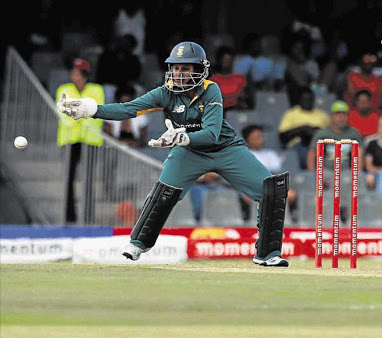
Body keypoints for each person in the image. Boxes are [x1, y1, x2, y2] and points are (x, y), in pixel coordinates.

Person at [57, 41, 290, 267]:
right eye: (176, 68)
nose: (178, 73)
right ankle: (138, 243)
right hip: (188, 153)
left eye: (185, 68)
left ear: (199, 69)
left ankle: (267, 254)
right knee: (164, 193)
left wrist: (181, 136)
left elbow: (211, 133)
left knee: (270, 189)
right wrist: (92, 110)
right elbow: (129, 109)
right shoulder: (164, 92)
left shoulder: (211, 90)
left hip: (225, 148)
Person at [55, 58, 105, 223]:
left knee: (89, 179)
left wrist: (80, 118)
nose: (73, 75)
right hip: (70, 139)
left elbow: (97, 111)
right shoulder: (64, 89)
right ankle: (70, 215)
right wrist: (80, 118)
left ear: (84, 74)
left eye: (77, 72)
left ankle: (88, 215)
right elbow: (63, 111)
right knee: (69, 178)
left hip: (90, 139)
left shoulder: (96, 89)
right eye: (73, 72)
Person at [306, 100, 363, 224]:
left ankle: (347, 218)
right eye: (338, 114)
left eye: (344, 114)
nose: (341, 117)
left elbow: (360, 153)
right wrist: (315, 174)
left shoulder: (353, 133)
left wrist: (358, 173)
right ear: (332, 116)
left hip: (346, 170)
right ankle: (327, 221)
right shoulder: (322, 133)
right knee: (325, 188)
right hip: (327, 170)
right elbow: (311, 154)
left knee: (351, 183)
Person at [239, 124, 299, 223]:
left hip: (274, 186)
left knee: (291, 194)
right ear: (248, 140)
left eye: (260, 136)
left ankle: (280, 221)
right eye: (256, 137)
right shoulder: (244, 155)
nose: (260, 140)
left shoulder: (271, 154)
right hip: (253, 188)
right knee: (249, 197)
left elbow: (278, 173)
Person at [278, 87, 330, 169]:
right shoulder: (291, 114)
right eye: (304, 99)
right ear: (299, 100)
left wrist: (315, 130)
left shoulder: (322, 115)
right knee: (304, 150)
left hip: (319, 144)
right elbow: (282, 137)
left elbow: (330, 134)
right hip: (298, 145)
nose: (307, 102)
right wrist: (301, 129)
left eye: (309, 99)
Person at [210, 46, 252, 113]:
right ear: (219, 61)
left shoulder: (240, 78)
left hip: (238, 113)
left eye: (229, 60)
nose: (227, 63)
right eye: (224, 60)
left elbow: (244, 98)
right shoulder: (213, 80)